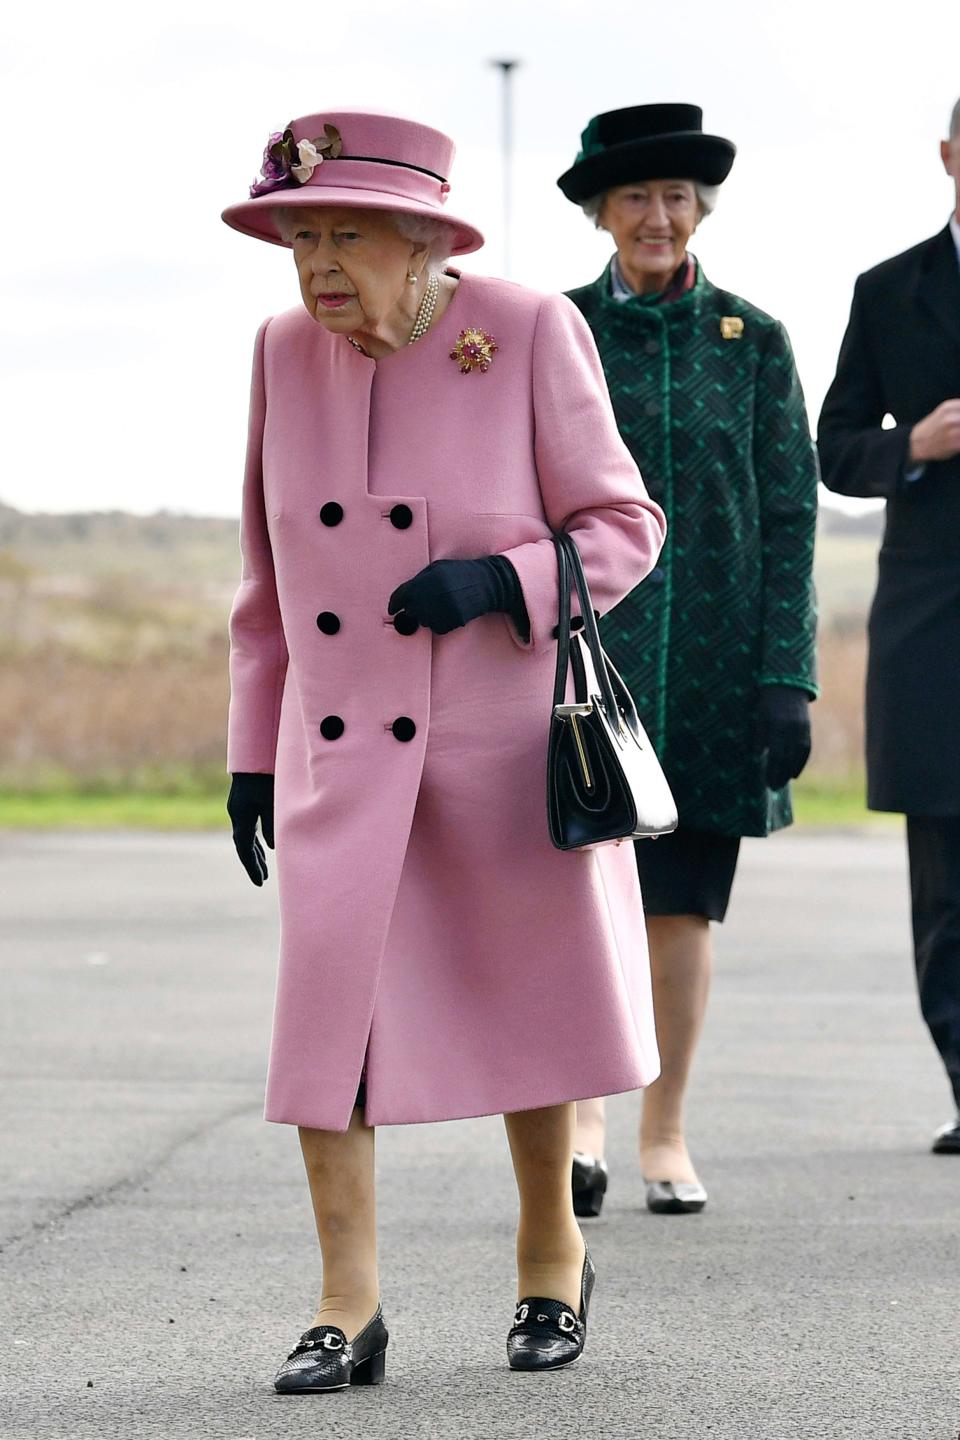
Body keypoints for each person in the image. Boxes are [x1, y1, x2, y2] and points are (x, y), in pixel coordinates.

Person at [220, 108, 667, 1389]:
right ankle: (344, 1305)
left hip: (499, 745)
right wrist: (256, 750)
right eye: (299, 234)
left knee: (528, 1013)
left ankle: (550, 1260)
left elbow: (625, 527)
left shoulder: (525, 328)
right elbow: (264, 588)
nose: (316, 262)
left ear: (423, 241)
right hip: (344, 755)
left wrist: (503, 579)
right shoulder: (280, 351)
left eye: (344, 233)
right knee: (331, 1033)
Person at [557, 105, 819, 1216]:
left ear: (699, 208)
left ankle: (664, 1131)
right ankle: (581, 1118)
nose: (657, 217)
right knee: (574, 898)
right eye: (634, 198)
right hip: (581, 664)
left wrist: (787, 677)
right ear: (600, 211)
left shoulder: (752, 340)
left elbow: (792, 512)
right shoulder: (554, 330)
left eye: (675, 198)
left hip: (716, 673)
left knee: (682, 912)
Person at [818, 98, 960, 1156]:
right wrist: (913, 440)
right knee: (945, 876)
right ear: (950, 157)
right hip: (930, 616)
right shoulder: (886, 290)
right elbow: (834, 447)